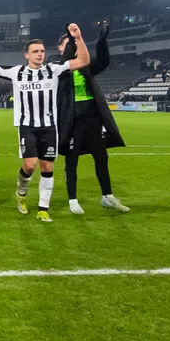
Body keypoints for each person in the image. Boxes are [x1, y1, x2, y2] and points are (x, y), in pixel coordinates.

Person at [0, 25, 90, 222]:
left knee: (47, 167)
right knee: (30, 165)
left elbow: (83, 61)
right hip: (27, 126)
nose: (40, 54)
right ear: (26, 55)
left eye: (42, 51)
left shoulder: (53, 70)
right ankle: (21, 192)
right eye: (35, 51)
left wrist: (78, 38)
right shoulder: (17, 72)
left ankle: (43, 208)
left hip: (49, 126)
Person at [54, 23, 128, 215]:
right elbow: (66, 60)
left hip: (93, 118)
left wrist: (101, 41)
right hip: (72, 120)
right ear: (60, 48)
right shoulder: (57, 69)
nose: (72, 47)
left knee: (101, 157)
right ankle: (73, 199)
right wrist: (74, 40)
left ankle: (108, 196)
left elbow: (103, 61)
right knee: (72, 160)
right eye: (67, 44)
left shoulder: (85, 68)